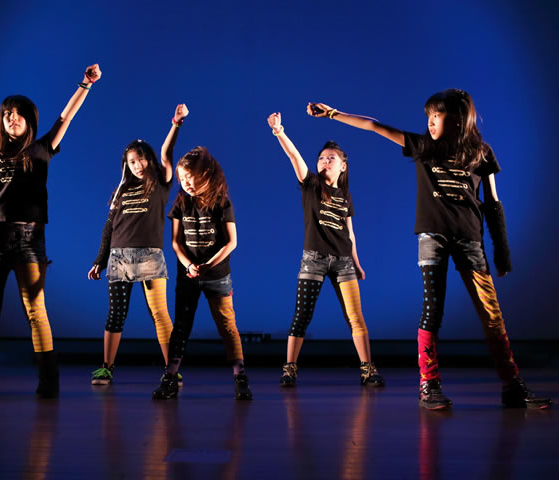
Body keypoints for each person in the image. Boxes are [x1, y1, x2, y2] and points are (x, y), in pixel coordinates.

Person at [306, 90, 551, 409]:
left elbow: (493, 203)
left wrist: (501, 252)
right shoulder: (424, 146)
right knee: (432, 310)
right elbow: (375, 126)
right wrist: (333, 113)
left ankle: (512, 386)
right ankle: (429, 385)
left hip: (470, 240)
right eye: (429, 117)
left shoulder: (481, 153)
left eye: (437, 116)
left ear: (459, 119)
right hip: (433, 237)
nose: (431, 122)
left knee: (492, 315)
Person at [0, 64, 102, 398]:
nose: (12, 118)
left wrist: (86, 84)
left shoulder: (41, 148)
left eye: (18, 113)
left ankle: (48, 381)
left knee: (35, 308)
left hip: (28, 238)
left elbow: (65, 118)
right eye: (7, 113)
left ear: (29, 119)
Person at [266, 112, 385, 389]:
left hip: (343, 262)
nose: (324, 161)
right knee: (302, 316)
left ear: (343, 166)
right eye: (321, 158)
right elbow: (294, 156)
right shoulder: (311, 185)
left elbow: (350, 234)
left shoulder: (346, 197)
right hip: (314, 260)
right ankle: (289, 369)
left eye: (331, 158)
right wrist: (279, 131)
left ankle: (368, 369)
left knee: (355, 317)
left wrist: (357, 263)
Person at [88, 105, 188, 385]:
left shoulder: (160, 183)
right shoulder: (120, 190)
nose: (137, 165)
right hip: (119, 257)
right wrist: (99, 259)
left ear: (149, 160)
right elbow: (109, 227)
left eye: (141, 159)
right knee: (116, 314)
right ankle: (107, 367)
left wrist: (176, 124)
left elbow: (167, 153)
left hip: (150, 256)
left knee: (159, 313)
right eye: (132, 161)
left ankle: (171, 369)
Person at [152, 146, 253, 400]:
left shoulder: (222, 202)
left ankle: (240, 377)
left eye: (190, 177)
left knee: (227, 325)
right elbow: (175, 242)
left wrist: (208, 265)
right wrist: (189, 265)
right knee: (181, 326)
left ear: (206, 174)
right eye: (182, 178)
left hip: (217, 275)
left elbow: (232, 242)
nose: (186, 183)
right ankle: (170, 377)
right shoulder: (181, 201)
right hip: (188, 275)